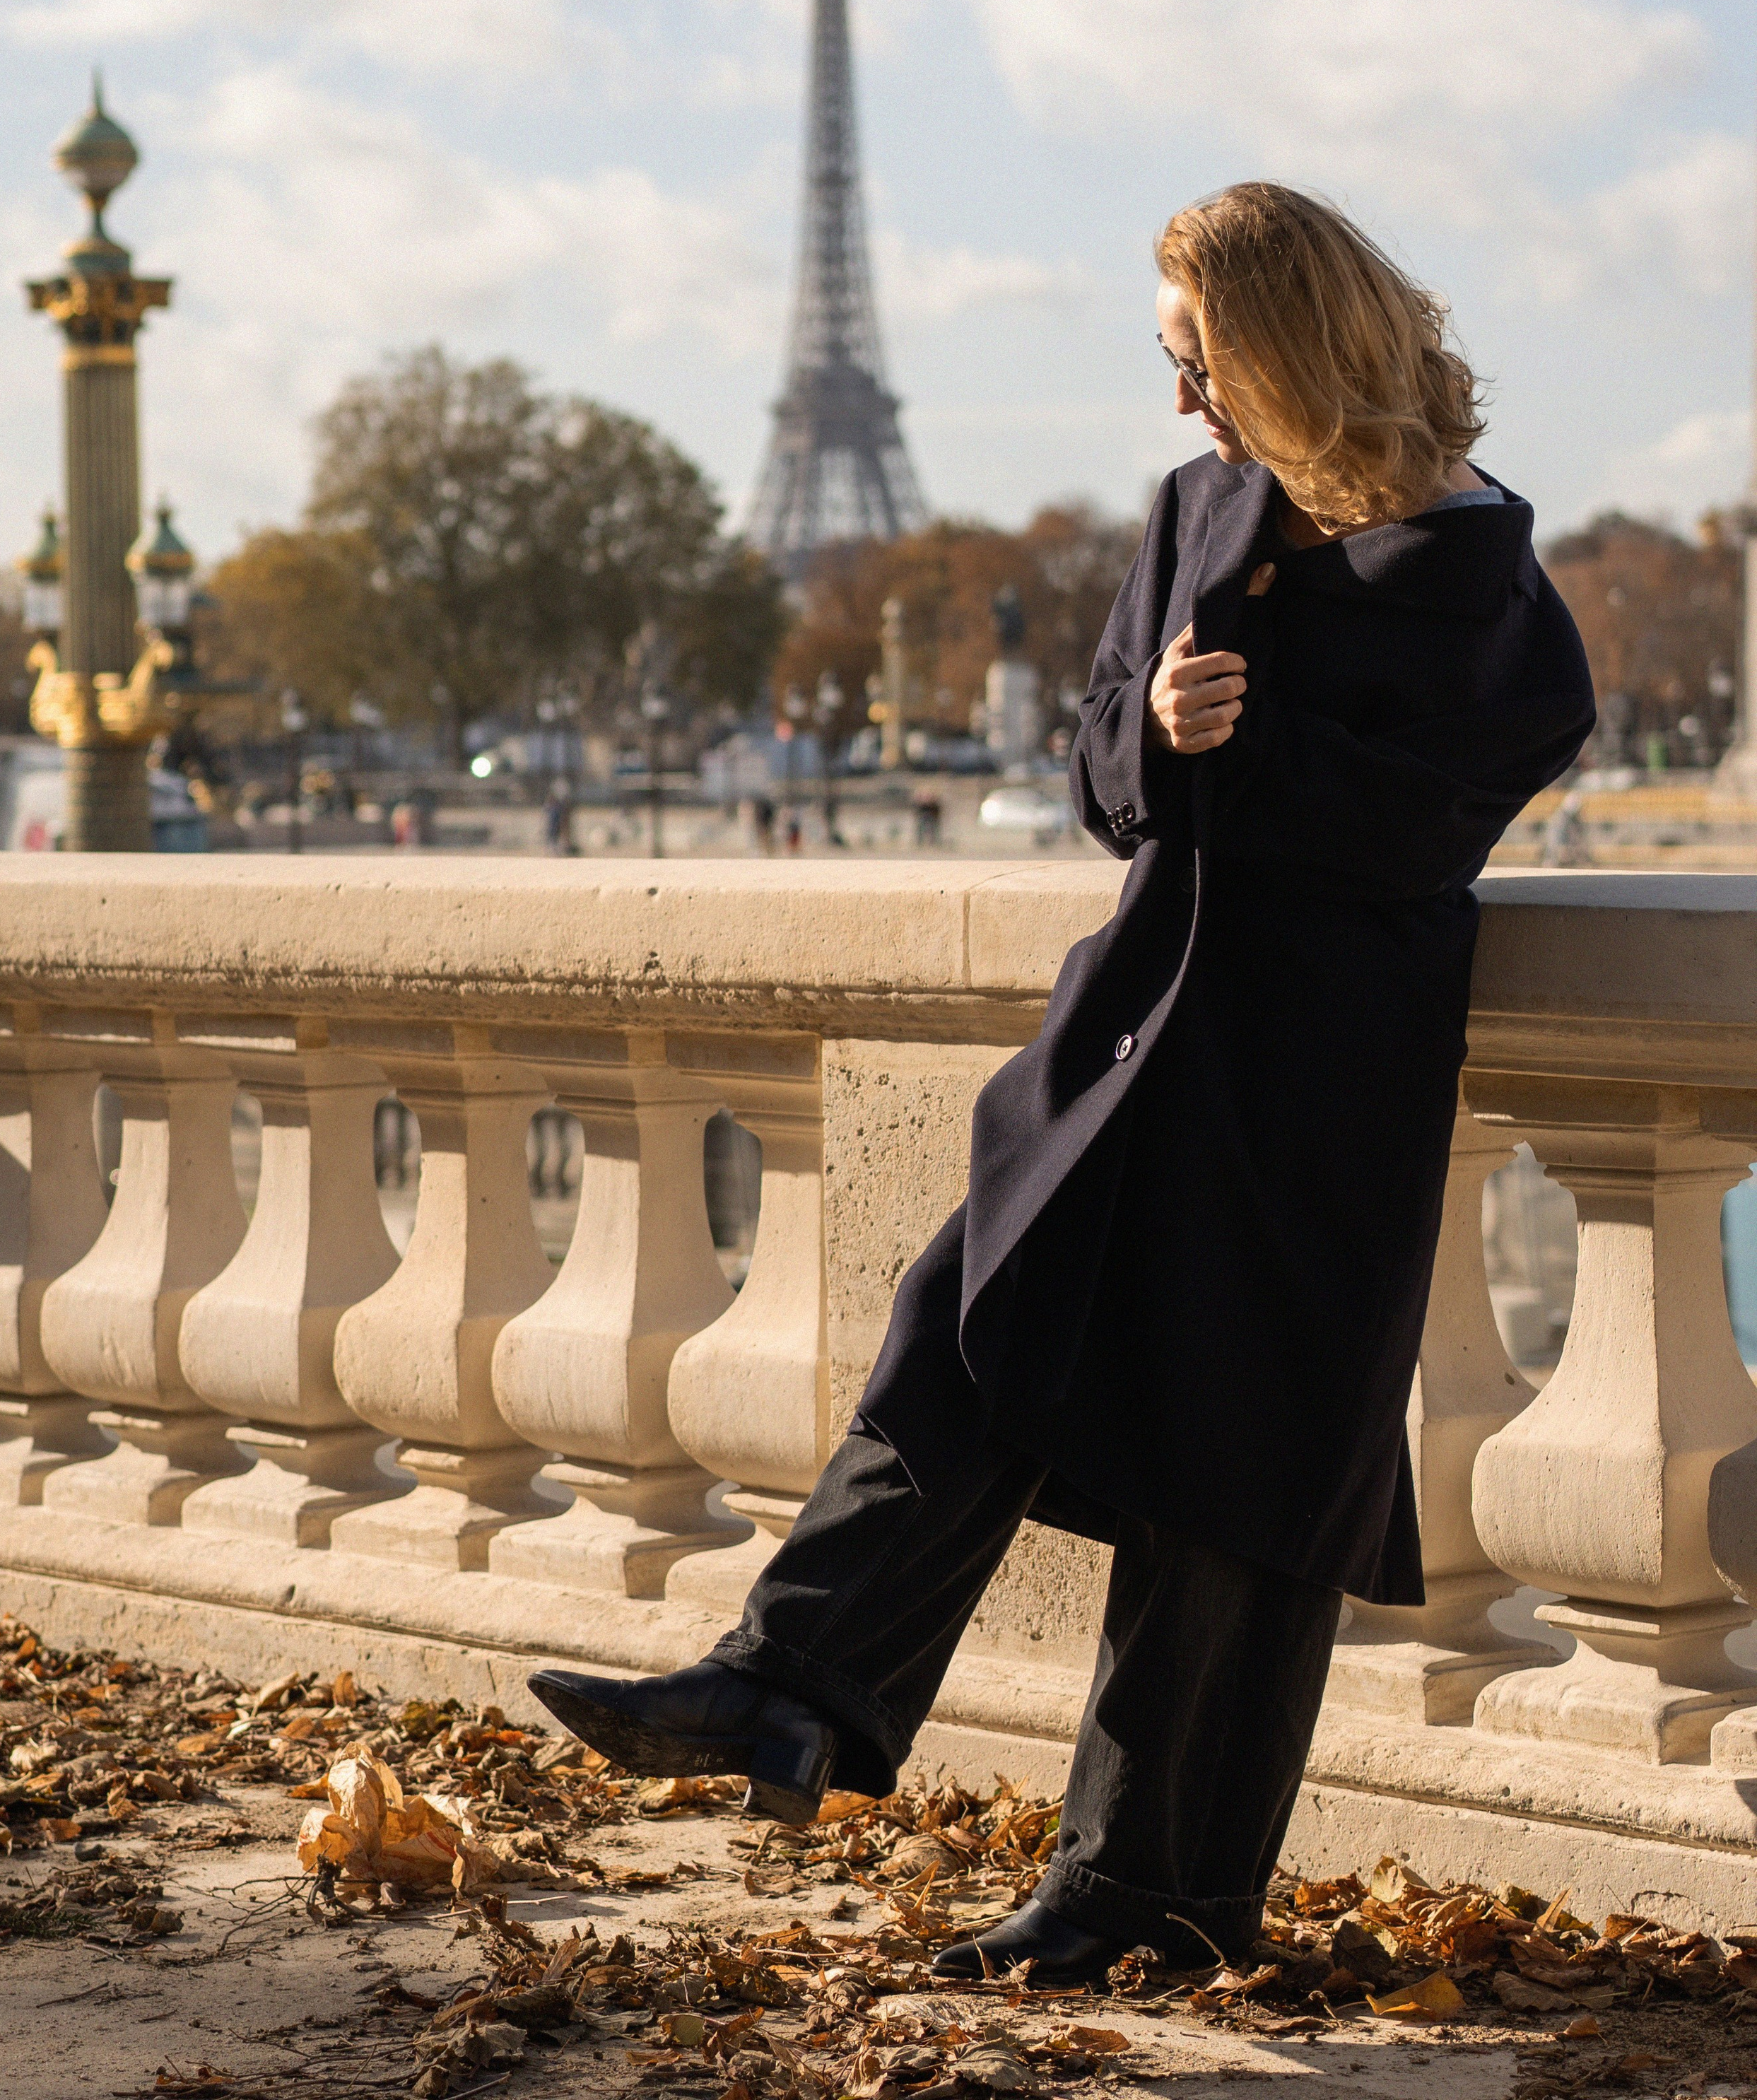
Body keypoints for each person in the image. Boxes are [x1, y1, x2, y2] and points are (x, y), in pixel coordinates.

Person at [529, 184, 1595, 1985]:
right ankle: (789, 1684)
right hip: (1136, 1032)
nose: (1181, 400)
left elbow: (1421, 831)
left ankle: (1145, 1898)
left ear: (1287, 347)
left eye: (1200, 359)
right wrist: (1159, 738)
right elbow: (1102, 760)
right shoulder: (1198, 509)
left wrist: (1236, 746)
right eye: (1169, 361)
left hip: (1311, 1076)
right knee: (969, 1322)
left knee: (1234, 1480)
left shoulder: (1487, 581)